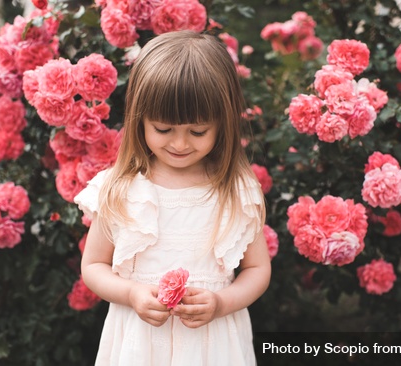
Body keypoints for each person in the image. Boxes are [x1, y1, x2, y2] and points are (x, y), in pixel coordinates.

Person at [75, 30, 271, 365]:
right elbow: (94, 266)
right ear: (141, 120)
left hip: (213, 344)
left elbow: (257, 269)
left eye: (197, 132)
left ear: (221, 124)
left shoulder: (234, 191)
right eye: (163, 129)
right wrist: (132, 293)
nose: (179, 144)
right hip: (140, 343)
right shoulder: (124, 189)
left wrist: (222, 302)